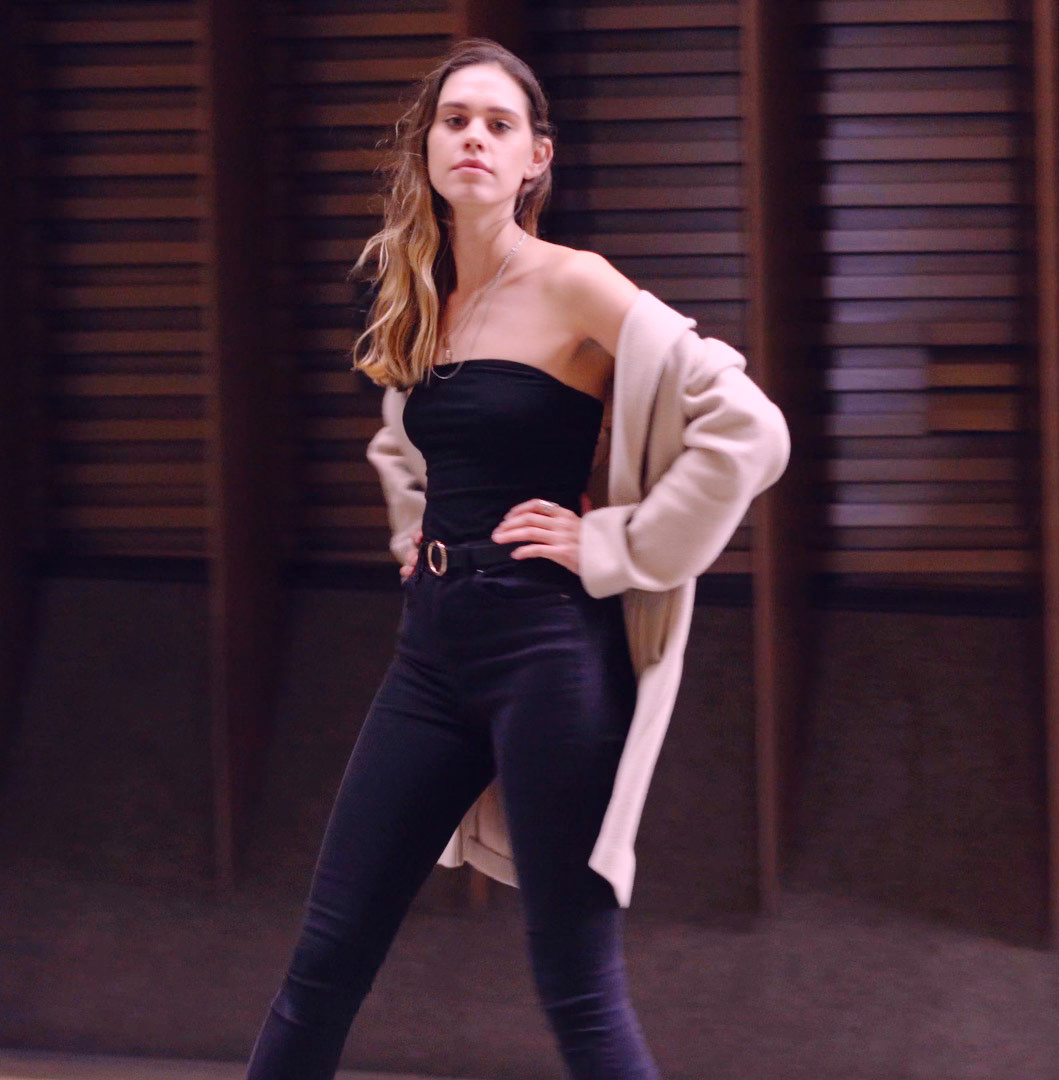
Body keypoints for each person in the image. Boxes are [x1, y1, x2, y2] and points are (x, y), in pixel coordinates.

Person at [245, 36, 790, 1080]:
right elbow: (407, 441)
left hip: (546, 653)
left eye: (499, 125)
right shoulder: (420, 291)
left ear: (537, 157)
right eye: (455, 121)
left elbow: (750, 430)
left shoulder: (575, 284)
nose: (475, 140)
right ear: (427, 148)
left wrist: (616, 543)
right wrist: (415, 535)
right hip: (432, 653)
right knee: (324, 962)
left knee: (577, 989)